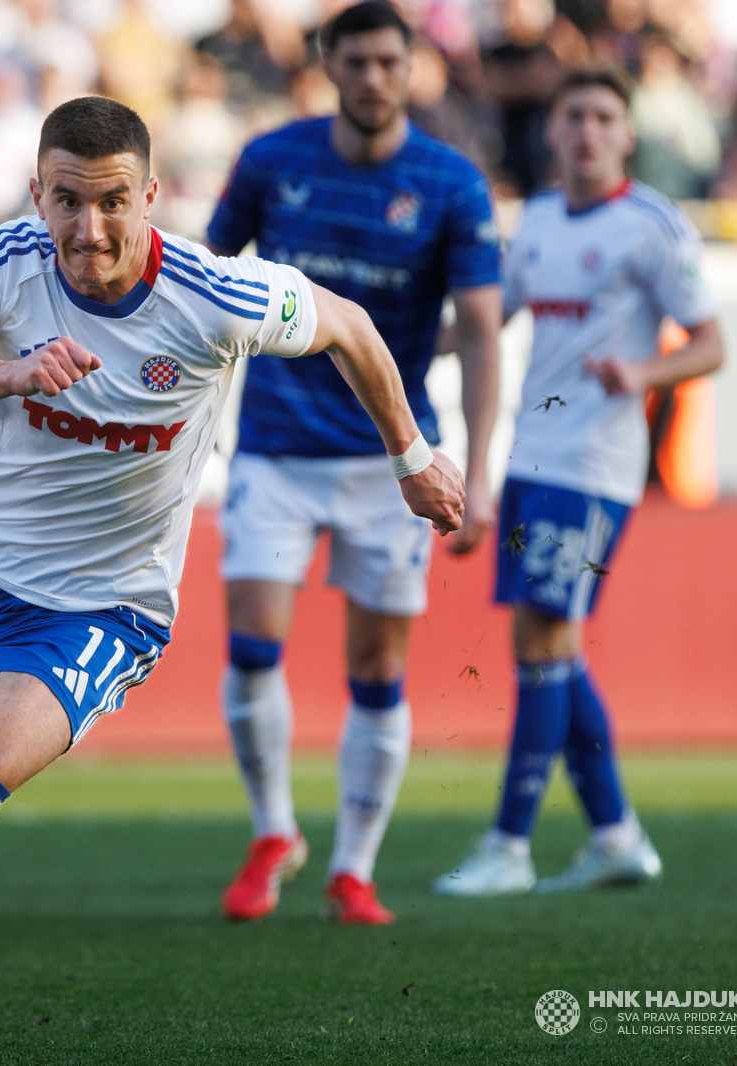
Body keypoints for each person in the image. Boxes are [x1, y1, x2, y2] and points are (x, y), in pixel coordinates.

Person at [0, 95, 466, 1053]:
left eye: (112, 203)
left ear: (151, 197)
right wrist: (8, 374)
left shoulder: (218, 295)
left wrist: (411, 457)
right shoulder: (0, 264)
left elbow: (348, 325)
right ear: (36, 196)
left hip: (106, 605)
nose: (88, 229)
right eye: (66, 202)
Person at [204, 0, 502, 926]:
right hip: (278, 446)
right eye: (357, 62)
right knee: (252, 642)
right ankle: (273, 831)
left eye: (389, 62)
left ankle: (355, 867)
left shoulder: (451, 183)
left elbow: (485, 333)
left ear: (411, 68)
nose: (374, 78)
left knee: (376, 670)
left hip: (390, 457)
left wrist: (477, 469)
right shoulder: (271, 162)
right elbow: (202, 283)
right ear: (328, 65)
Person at [433, 67, 724, 898]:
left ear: (626, 134)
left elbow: (711, 344)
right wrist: (405, 337)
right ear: (553, 132)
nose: (589, 131)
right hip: (533, 456)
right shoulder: (539, 223)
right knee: (551, 647)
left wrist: (644, 370)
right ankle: (615, 833)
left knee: (541, 641)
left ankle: (509, 846)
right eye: (575, 117)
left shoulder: (652, 226)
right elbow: (493, 321)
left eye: (604, 116)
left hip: (594, 466)